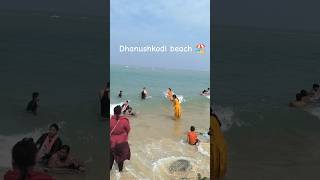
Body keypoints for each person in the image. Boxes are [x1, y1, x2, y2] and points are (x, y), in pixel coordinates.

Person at [110, 105, 131, 172]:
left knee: (110, 159)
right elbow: (128, 130)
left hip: (111, 143)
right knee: (120, 160)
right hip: (121, 143)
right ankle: (120, 173)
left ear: (114, 112)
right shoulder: (124, 121)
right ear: (120, 112)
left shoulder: (110, 120)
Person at [211, 108, 227, 179]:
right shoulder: (214, 117)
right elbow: (219, 125)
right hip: (221, 142)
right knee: (218, 160)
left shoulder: (210, 119)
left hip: (214, 143)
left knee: (213, 160)